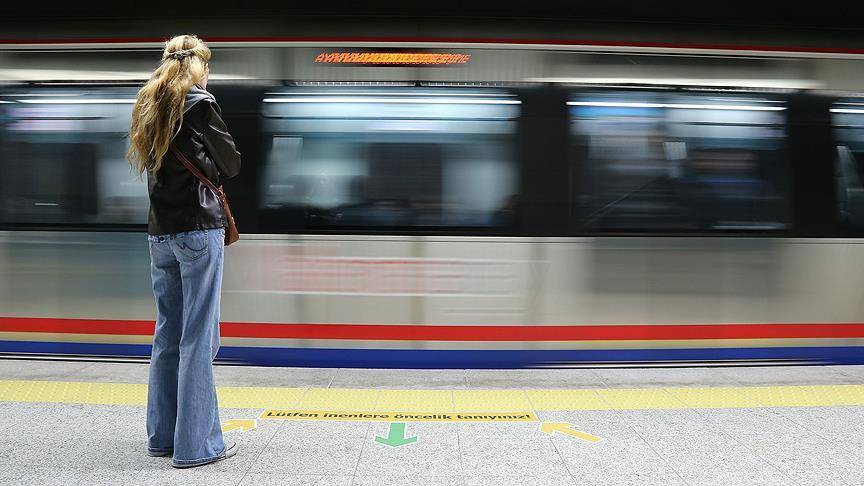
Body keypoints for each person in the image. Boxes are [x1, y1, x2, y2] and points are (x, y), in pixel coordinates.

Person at [127, 34, 241, 469]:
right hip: (198, 230)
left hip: (160, 233)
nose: (208, 73)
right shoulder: (201, 104)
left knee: (167, 334)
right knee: (197, 337)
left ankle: (161, 437)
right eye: (206, 66)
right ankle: (196, 446)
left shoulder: (148, 106)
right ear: (196, 68)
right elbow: (230, 164)